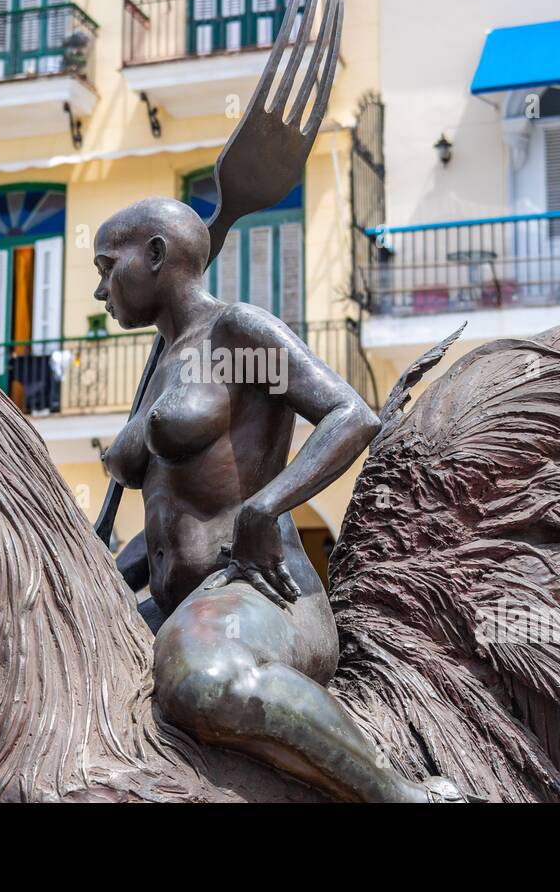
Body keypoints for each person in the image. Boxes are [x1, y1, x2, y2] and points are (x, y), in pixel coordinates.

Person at [94, 197, 469, 802]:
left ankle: (402, 796)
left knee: (203, 680)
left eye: (107, 267)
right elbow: (173, 510)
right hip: (175, 604)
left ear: (157, 256)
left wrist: (263, 508)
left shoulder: (235, 335)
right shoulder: (164, 360)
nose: (101, 289)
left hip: (260, 592)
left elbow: (350, 415)